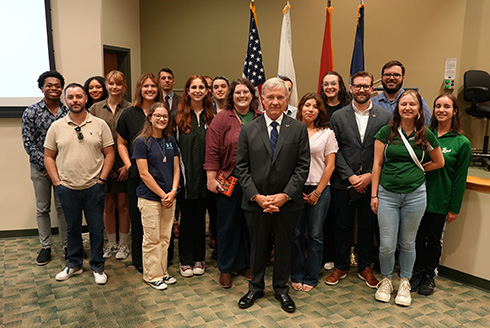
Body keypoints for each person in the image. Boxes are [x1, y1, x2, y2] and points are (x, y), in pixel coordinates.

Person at [235, 77, 310, 313]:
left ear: (287, 99)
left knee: (284, 246)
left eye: (280, 97)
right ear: (263, 99)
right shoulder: (248, 129)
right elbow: (241, 168)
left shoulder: (297, 128)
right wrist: (256, 197)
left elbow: (302, 167)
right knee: (257, 247)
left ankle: (281, 289)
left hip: (287, 204)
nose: (275, 101)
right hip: (256, 203)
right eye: (271, 97)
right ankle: (255, 287)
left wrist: (285, 196)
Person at [371, 90, 444, 306]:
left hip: (415, 195)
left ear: (419, 109)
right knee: (386, 244)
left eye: (413, 104)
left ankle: (404, 282)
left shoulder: (426, 134)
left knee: (408, 242)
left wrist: (420, 170)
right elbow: (377, 164)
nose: (408, 108)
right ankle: (386, 280)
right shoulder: (386, 132)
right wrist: (373, 194)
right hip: (387, 194)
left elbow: (439, 162)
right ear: (398, 107)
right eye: (404, 104)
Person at [44, 83, 115, 285]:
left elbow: (109, 153)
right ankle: (73, 264)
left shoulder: (100, 124)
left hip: (94, 185)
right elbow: (48, 157)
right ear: (66, 100)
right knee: (72, 228)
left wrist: (102, 179)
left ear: (86, 99)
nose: (75, 100)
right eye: (71, 97)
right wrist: (57, 182)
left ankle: (97, 266)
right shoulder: (56, 127)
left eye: (79, 97)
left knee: (96, 228)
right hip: (67, 187)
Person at [327, 71, 392, 289]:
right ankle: (341, 266)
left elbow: (388, 150)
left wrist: (370, 176)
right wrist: (351, 176)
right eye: (358, 86)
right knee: (342, 226)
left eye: (366, 86)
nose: (362, 90)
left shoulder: (385, 117)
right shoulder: (338, 116)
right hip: (344, 182)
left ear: (372, 89)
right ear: (351, 88)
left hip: (371, 183)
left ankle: (365, 267)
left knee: (367, 227)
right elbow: (334, 149)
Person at [411, 94, 471, 296]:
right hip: (417, 198)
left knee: (434, 241)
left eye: (447, 106)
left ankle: (429, 275)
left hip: (440, 200)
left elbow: (459, 179)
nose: (441, 110)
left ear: (455, 111)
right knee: (416, 239)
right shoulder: (422, 135)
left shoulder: (462, 143)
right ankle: (416, 272)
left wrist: (454, 208)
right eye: (438, 106)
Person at [204, 78, 260, 288]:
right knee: (227, 225)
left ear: (252, 95)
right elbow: (211, 150)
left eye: (246, 92)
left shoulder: (259, 118)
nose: (242, 96)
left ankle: (248, 264)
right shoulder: (221, 119)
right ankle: (226, 268)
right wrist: (211, 178)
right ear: (231, 96)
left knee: (251, 226)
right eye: (237, 93)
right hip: (228, 179)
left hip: (254, 182)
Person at [291, 93, 338, 292]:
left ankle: (311, 275)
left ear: (319, 111)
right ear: (300, 108)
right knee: (296, 234)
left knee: (316, 235)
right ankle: (297, 273)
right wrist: (294, 189)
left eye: (314, 106)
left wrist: (317, 192)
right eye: (306, 105)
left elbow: (330, 166)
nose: (310, 109)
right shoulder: (291, 131)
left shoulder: (327, 133)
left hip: (320, 189)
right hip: (295, 189)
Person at [21, 70, 68, 266]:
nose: (54, 88)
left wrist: (56, 167)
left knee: (63, 208)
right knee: (43, 208)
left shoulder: (67, 112)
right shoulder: (31, 112)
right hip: (40, 169)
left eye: (57, 85)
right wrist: (47, 165)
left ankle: (67, 245)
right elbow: (28, 143)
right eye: (49, 85)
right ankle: (46, 246)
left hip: (64, 168)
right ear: (42, 87)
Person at [117, 73, 162, 273]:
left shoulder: (163, 112)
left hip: (161, 176)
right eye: (146, 86)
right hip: (137, 176)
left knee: (160, 219)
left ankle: (161, 258)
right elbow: (121, 144)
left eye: (153, 86)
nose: (150, 89)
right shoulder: (128, 114)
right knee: (138, 219)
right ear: (139, 90)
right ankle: (140, 260)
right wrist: (129, 166)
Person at [132, 102, 180, 290]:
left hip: (169, 197)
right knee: (152, 238)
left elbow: (176, 168)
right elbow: (144, 174)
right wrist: (162, 195)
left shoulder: (170, 140)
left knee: (165, 238)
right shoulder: (141, 142)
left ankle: (163, 272)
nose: (161, 119)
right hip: (151, 198)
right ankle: (152, 275)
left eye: (165, 116)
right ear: (150, 117)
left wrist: (173, 191)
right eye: (157, 115)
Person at [89, 70, 132, 260]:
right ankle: (111, 243)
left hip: (125, 165)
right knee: (108, 206)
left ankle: (123, 244)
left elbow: (134, 139)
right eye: (111, 83)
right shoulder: (95, 109)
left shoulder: (131, 108)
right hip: (103, 166)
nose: (114, 87)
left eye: (119, 84)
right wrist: (102, 167)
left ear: (124, 86)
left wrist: (126, 165)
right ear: (106, 85)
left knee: (123, 205)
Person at [175, 75, 214, 278]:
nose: (198, 90)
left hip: (206, 178)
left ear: (207, 91)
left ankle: (199, 258)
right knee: (186, 220)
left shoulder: (212, 116)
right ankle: (185, 260)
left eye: (201, 87)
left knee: (201, 220)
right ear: (187, 91)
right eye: (194, 87)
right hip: (185, 178)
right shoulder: (178, 117)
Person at [318, 70, 350, 271]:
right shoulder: (317, 108)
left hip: (340, 173)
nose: (329, 87)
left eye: (333, 84)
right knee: (322, 219)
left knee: (338, 219)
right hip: (318, 170)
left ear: (340, 87)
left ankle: (337, 257)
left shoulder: (348, 109)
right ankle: (323, 255)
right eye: (326, 84)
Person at [371, 60, 431, 125]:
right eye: (387, 75)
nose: (391, 78)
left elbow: (426, 126)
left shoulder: (418, 101)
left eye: (396, 75)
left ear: (403, 78)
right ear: (382, 77)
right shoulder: (372, 103)